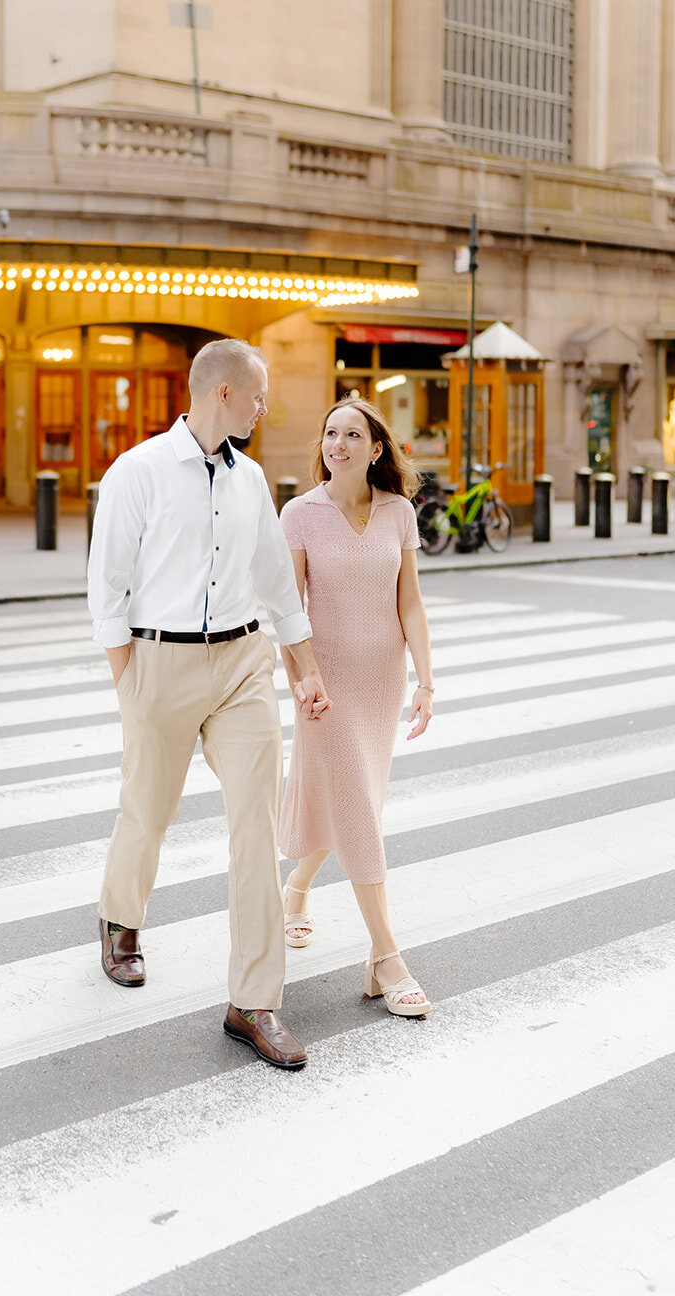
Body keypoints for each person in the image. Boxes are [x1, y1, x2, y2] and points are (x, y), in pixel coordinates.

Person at [87, 338, 331, 1071]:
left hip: (242, 664)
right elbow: (108, 585)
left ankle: (252, 1001)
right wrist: (131, 680)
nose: (265, 406)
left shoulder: (250, 479)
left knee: (255, 824)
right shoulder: (137, 472)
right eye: (258, 395)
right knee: (147, 811)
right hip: (159, 659)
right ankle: (120, 920)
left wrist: (305, 668)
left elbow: (274, 582)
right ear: (222, 393)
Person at [280, 398, 435, 1019]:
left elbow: (412, 604)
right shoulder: (299, 514)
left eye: (352, 434)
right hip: (324, 683)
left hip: (382, 682)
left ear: (376, 449)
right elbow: (289, 608)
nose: (337, 443)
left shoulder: (399, 513)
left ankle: (295, 889)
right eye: (329, 433)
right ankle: (385, 954)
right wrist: (305, 674)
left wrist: (427, 681)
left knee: (354, 799)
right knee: (358, 805)